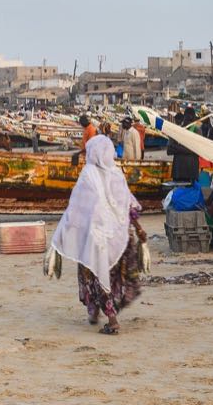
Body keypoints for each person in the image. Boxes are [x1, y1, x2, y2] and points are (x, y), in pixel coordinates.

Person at [48, 135, 146, 334]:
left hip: (95, 238)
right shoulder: (116, 173)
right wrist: (138, 228)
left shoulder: (88, 175)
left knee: (94, 275)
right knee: (113, 276)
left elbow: (75, 209)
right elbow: (127, 205)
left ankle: (110, 319)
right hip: (119, 237)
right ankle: (96, 313)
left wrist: (60, 237)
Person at [166, 111, 199, 183]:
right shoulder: (176, 131)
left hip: (189, 171)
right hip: (180, 171)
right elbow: (169, 150)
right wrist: (189, 148)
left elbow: (197, 150)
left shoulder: (196, 130)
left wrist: (177, 147)